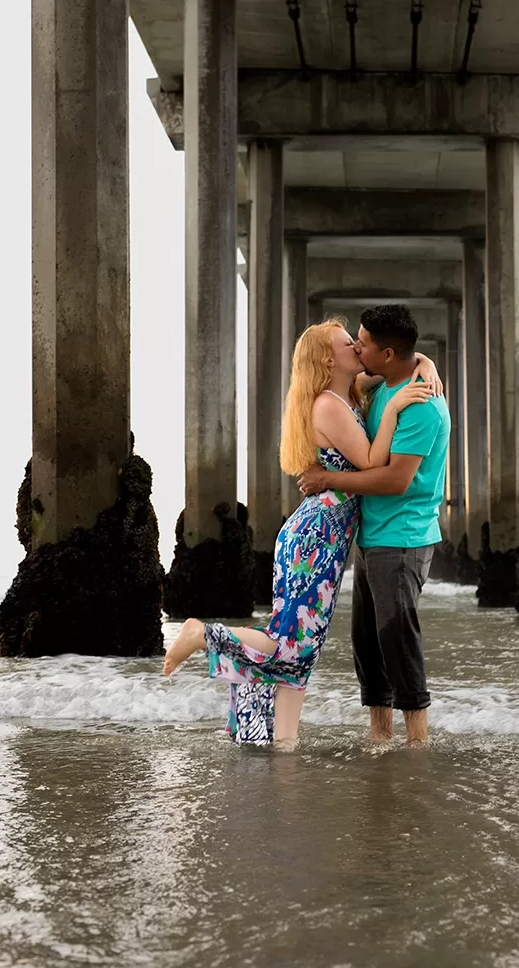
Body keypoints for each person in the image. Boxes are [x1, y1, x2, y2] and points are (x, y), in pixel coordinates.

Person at [162, 318, 442, 748]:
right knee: (290, 640)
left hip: (324, 536)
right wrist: (395, 406)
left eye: (360, 342)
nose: (357, 347)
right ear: (329, 358)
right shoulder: (329, 403)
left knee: (301, 647)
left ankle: (278, 740)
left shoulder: (351, 393)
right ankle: (204, 633)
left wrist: (425, 361)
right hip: (316, 537)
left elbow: (397, 359)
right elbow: (370, 461)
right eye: (349, 343)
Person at [298, 305, 451, 748]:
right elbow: (349, 380)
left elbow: (394, 479)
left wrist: (327, 479)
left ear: (386, 353)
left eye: (362, 342)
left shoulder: (422, 407)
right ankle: (380, 739)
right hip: (373, 537)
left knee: (397, 641)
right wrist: (425, 359)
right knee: (368, 644)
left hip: (402, 538)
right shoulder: (385, 384)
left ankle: (417, 746)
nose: (355, 346)